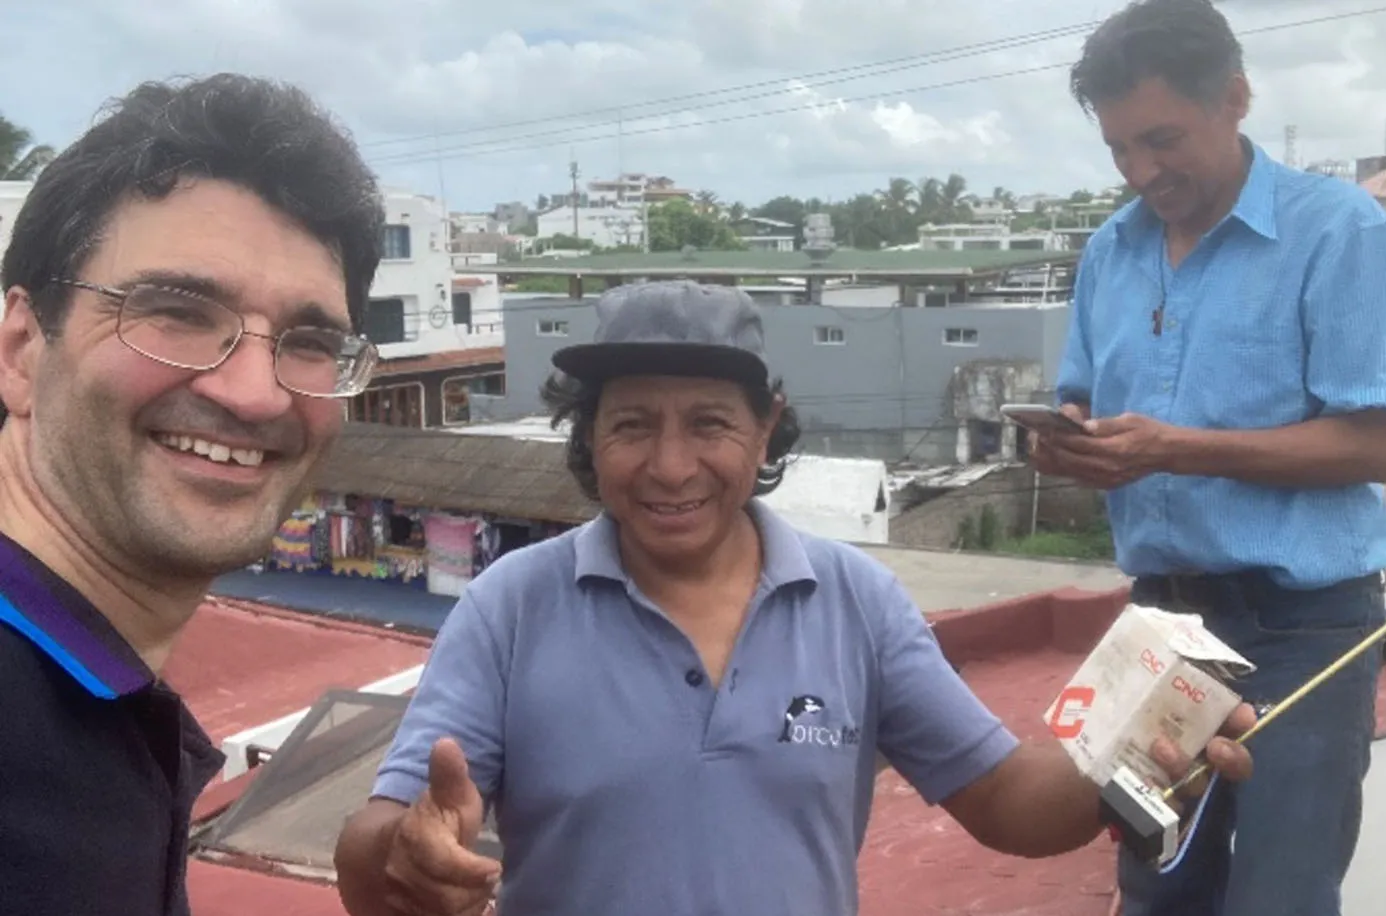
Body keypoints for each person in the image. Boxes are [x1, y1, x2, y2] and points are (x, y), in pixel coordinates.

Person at [333, 279, 1255, 916]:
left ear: (767, 424)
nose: (670, 465)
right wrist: (402, 857)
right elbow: (383, 835)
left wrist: (1143, 749)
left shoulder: (857, 600)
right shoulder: (511, 605)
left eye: (709, 425)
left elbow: (1008, 799)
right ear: (586, 433)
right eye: (630, 425)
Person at [1032, 1, 1386, 914]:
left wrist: (1177, 449)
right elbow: (1081, 396)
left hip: (1300, 625)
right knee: (1158, 886)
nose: (1143, 172)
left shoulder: (1339, 232)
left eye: (1163, 139)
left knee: (1279, 894)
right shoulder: (1111, 250)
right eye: (1120, 149)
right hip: (1158, 628)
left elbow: (1377, 445)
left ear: (1237, 98)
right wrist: (1067, 439)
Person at [0, 74, 384, 915]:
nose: (254, 394)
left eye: (311, 340)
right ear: (24, 347)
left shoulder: (91, 722)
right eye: (174, 310)